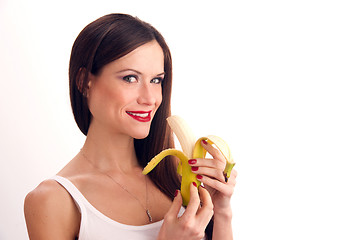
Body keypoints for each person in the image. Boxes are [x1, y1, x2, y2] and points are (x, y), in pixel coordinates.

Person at [24, 13, 237, 240]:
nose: (149, 98)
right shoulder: (55, 200)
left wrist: (221, 211)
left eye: (156, 80)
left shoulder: (178, 174)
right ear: (84, 81)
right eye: (130, 78)